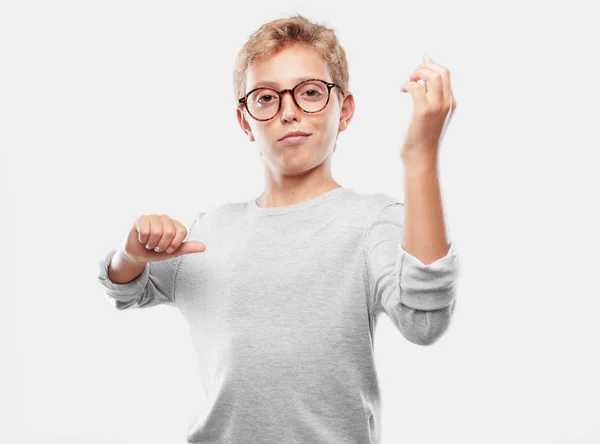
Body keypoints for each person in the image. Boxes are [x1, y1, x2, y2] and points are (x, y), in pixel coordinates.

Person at [97, 14, 460, 444]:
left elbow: (425, 323)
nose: (288, 112)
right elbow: (124, 288)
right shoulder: (210, 230)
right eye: (266, 98)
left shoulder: (371, 222)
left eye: (309, 93)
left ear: (343, 111)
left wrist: (419, 156)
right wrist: (131, 253)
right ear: (244, 120)